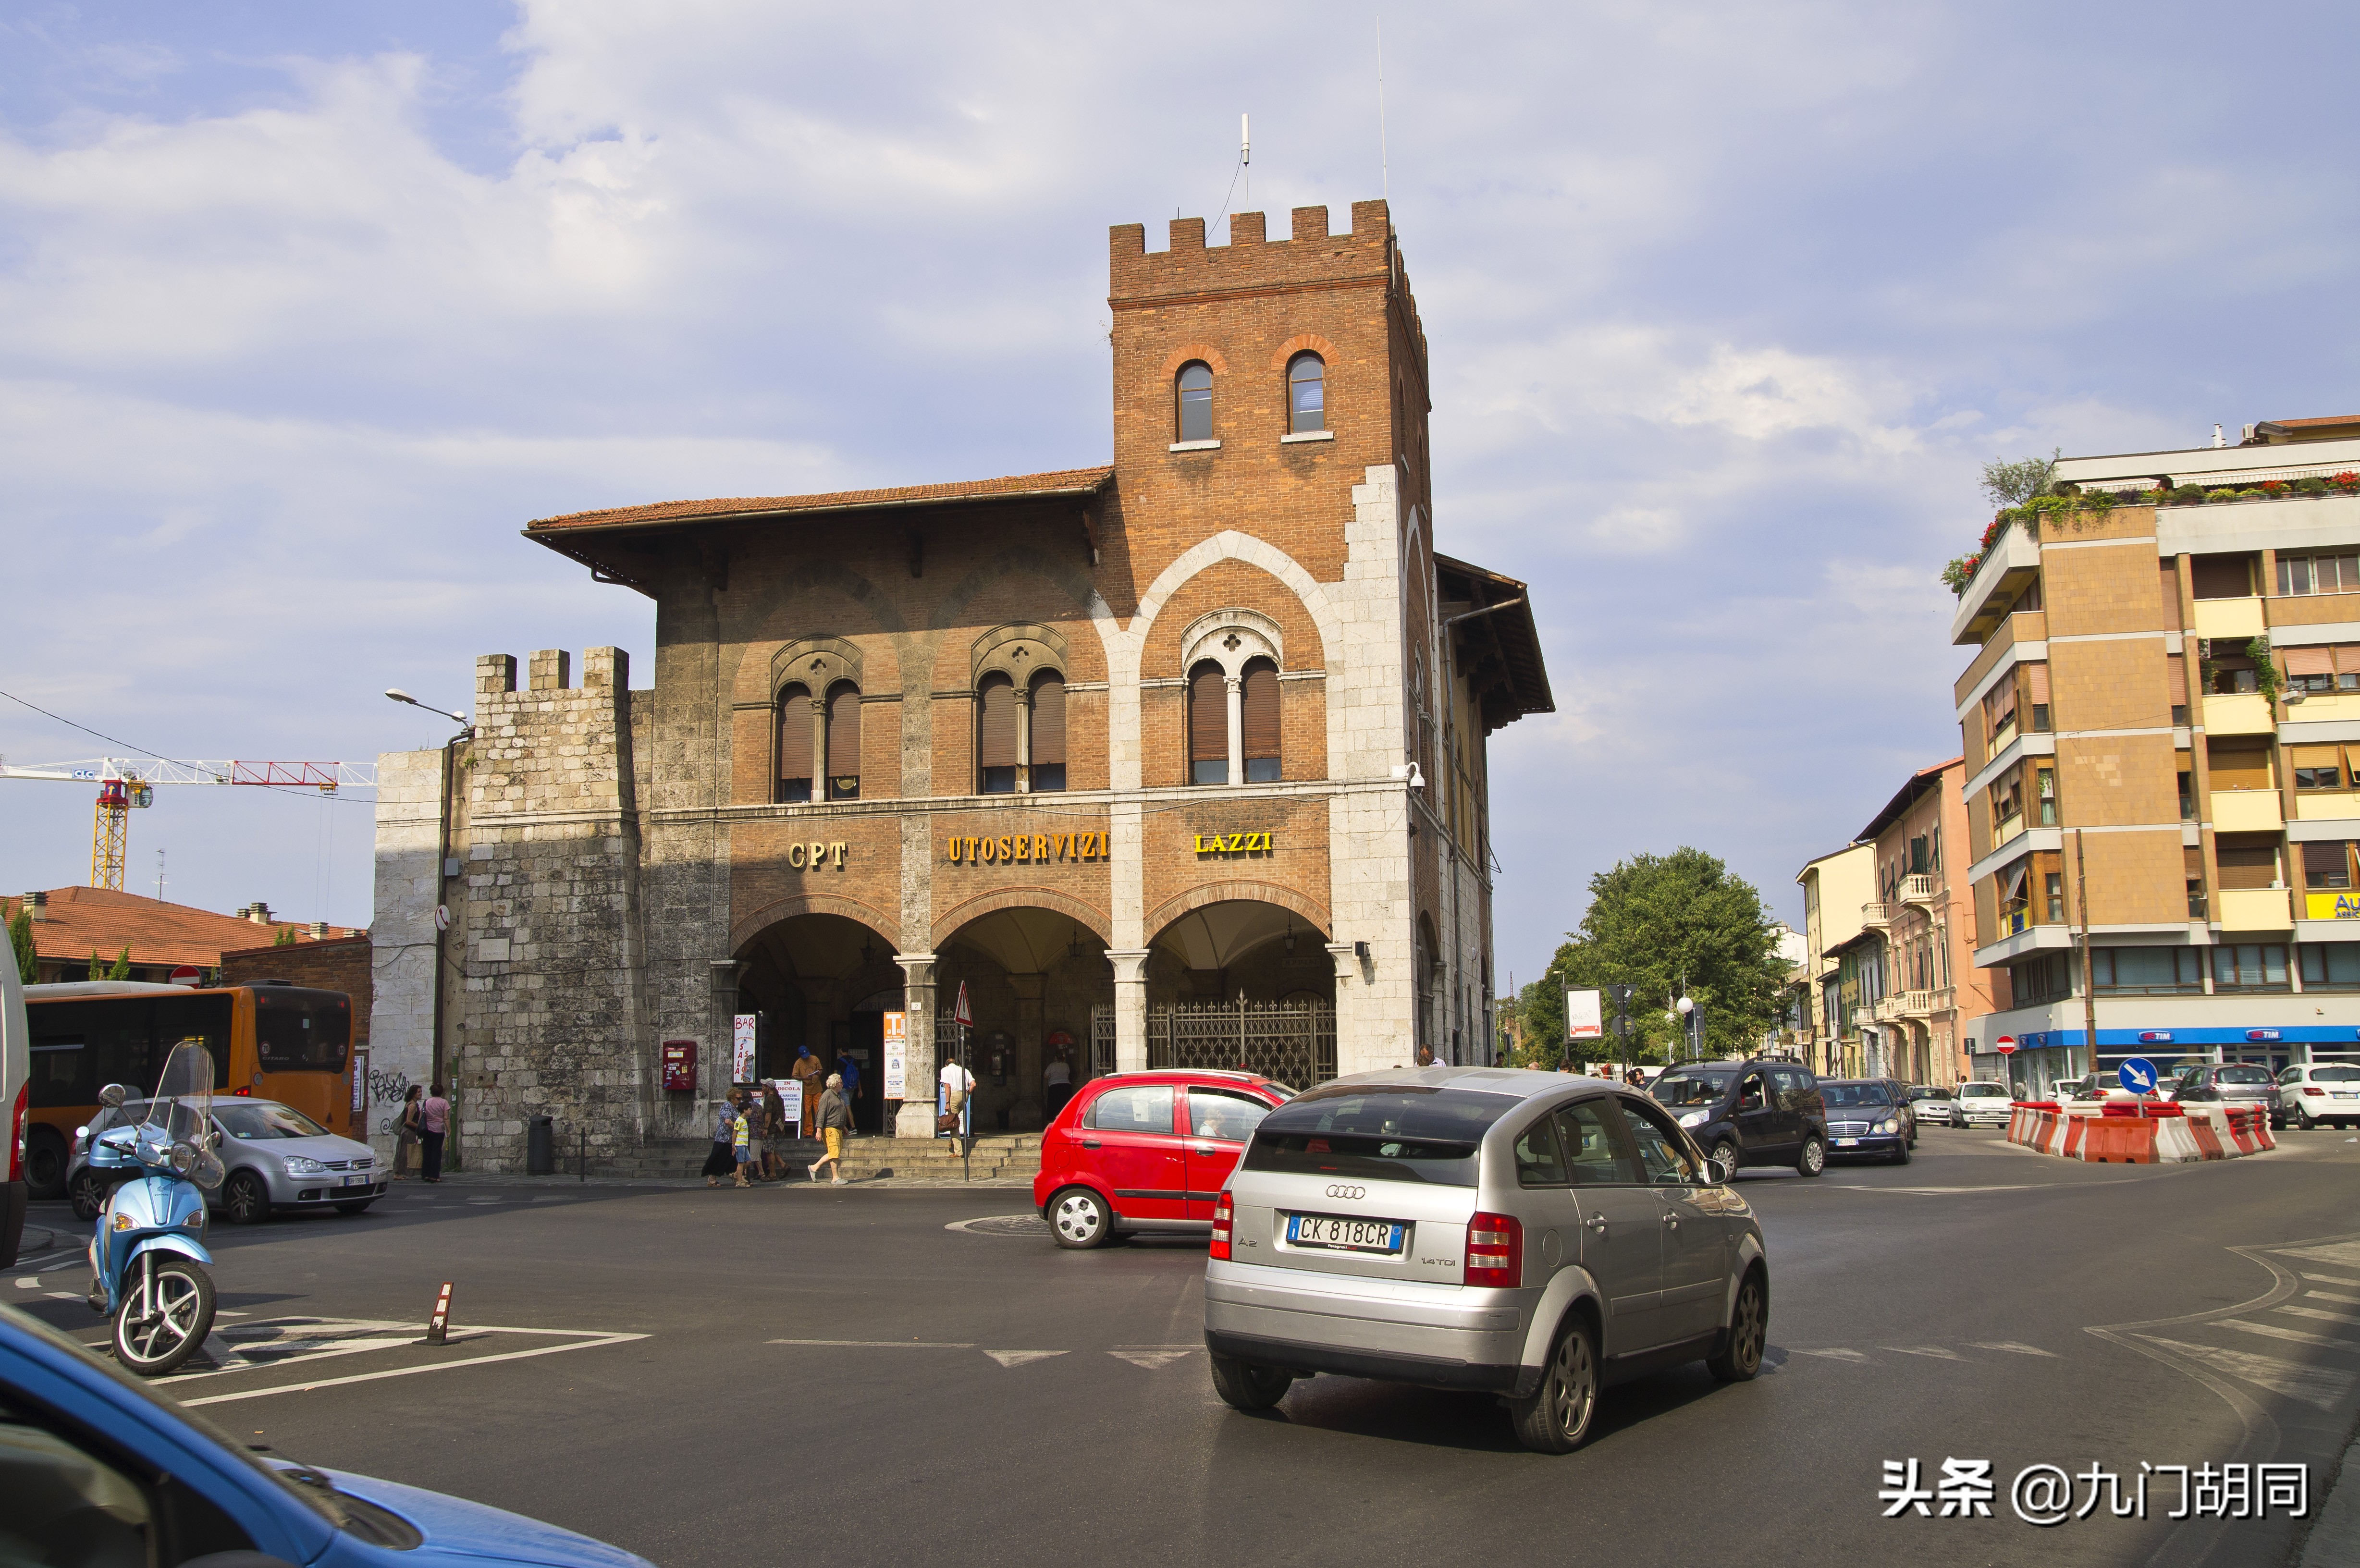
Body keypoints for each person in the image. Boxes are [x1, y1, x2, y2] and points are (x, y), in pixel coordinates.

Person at [809, 1074, 851, 1185]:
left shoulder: (837, 1095)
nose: (842, 1084)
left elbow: (838, 1112)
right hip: (830, 1129)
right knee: (834, 1153)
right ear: (836, 1084)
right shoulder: (827, 1095)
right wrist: (819, 1130)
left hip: (838, 1128)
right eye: (841, 1082)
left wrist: (843, 1126)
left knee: (834, 1152)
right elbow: (821, 1113)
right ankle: (835, 1178)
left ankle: (814, 1168)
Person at [702, 1090, 740, 1188]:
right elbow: (728, 1121)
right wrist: (739, 1128)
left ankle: (736, 1177)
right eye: (738, 1098)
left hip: (731, 1139)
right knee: (719, 1158)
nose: (740, 1100)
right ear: (732, 1098)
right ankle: (712, 1179)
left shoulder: (734, 1108)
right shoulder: (727, 1106)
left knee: (732, 1159)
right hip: (724, 1139)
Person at [418, 1082, 450, 1183]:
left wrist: (419, 1128)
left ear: (431, 1092)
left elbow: (421, 1116)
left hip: (427, 1129)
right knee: (436, 1152)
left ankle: (425, 1174)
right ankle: (434, 1175)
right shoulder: (444, 1102)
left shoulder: (427, 1102)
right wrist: (449, 1129)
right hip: (439, 1130)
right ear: (441, 1092)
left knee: (427, 1151)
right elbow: (446, 1118)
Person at [791, 1045, 823, 1138]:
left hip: (817, 1088)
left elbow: (821, 1070)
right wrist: (803, 1078)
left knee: (819, 1110)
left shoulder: (815, 1059)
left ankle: (820, 1129)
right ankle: (808, 1132)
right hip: (807, 1090)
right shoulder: (798, 1063)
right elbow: (794, 1076)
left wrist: (818, 1073)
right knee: (807, 1111)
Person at [392, 1084, 423, 1179]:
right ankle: (398, 1173)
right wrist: (420, 1127)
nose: (421, 1094)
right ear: (414, 1094)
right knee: (404, 1153)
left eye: (421, 1092)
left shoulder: (410, 1104)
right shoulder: (412, 1106)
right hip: (408, 1132)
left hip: (409, 1131)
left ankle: (400, 1172)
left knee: (404, 1152)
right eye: (419, 1092)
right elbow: (409, 1121)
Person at [942, 1054, 976, 1133]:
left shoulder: (945, 1070)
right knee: (954, 1117)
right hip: (964, 1095)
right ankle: (953, 1140)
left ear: (946, 1065)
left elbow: (948, 1086)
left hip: (954, 1095)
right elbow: (974, 1084)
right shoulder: (965, 1070)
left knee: (953, 1120)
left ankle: (957, 1142)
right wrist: (968, 1093)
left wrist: (947, 1103)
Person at [761, 1084, 789, 1180]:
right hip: (778, 1127)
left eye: (763, 1087)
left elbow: (768, 1114)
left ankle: (772, 1174)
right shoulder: (779, 1099)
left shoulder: (770, 1099)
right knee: (772, 1148)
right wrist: (782, 1127)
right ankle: (783, 1165)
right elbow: (783, 1114)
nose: (762, 1089)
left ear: (768, 1088)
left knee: (769, 1151)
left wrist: (765, 1128)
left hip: (771, 1128)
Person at [731, 1094, 757, 1188]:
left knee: (748, 1161)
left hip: (744, 1144)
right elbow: (735, 1132)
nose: (751, 1111)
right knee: (741, 1163)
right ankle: (739, 1181)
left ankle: (736, 1175)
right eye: (750, 1109)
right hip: (740, 1144)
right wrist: (733, 1145)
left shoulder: (745, 1120)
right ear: (745, 1111)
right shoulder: (739, 1120)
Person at [835, 1048, 862, 1133]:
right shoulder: (854, 1061)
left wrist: (834, 1090)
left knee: (847, 1107)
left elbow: (835, 1077)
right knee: (846, 1107)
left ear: (840, 1050)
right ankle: (845, 1128)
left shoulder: (839, 1062)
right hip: (853, 1088)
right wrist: (860, 1090)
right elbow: (857, 1077)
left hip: (843, 1088)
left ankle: (853, 1128)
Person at [1042, 1052, 1073, 1121]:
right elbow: (1068, 1073)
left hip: (1055, 1087)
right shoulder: (1066, 1065)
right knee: (1065, 1104)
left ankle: (1054, 1119)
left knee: (1055, 1105)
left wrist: (1051, 1077)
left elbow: (1045, 1075)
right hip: (1066, 1086)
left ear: (1056, 1058)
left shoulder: (1052, 1065)